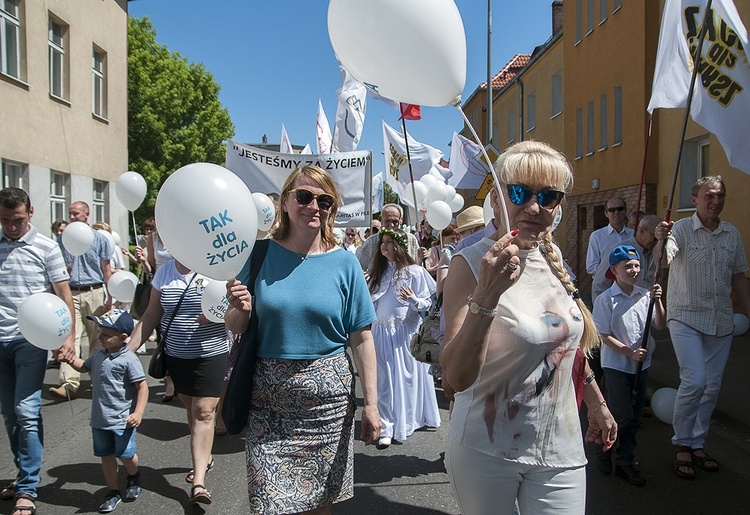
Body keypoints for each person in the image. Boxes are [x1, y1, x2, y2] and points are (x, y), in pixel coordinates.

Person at [440, 141, 617, 514]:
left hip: (560, 445)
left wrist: (598, 404)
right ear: (496, 199)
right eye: (519, 193)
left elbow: (565, 347)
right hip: (486, 447)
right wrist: (486, 295)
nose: (534, 208)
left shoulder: (555, 262)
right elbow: (455, 376)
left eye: (549, 196)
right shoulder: (470, 263)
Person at [225, 165, 380, 514]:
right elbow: (235, 324)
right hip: (269, 405)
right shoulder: (258, 253)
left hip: (327, 409)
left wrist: (371, 403)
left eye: (325, 201)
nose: (314, 206)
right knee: (269, 504)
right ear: (284, 202)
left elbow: (362, 336)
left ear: (332, 210)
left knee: (317, 505)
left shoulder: (345, 263)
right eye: (305, 196)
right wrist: (241, 309)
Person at [654, 175, 750, 480]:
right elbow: (661, 262)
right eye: (709, 195)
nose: (715, 201)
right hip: (685, 316)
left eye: (720, 195)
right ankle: (681, 441)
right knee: (694, 380)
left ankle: (697, 442)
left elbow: (739, 278)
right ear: (695, 199)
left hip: (720, 319)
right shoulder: (680, 229)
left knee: (711, 387)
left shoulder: (731, 234)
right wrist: (659, 238)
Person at [0, 187, 76, 515]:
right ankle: (22, 474)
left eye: (16, 220)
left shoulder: (47, 247)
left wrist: (68, 338)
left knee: (27, 412)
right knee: (9, 414)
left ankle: (28, 488)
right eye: (4, 221)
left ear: (30, 213)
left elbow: (63, 293)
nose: (11, 227)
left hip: (30, 341)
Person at [128, 259, 229, 504]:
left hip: (212, 354)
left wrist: (219, 315)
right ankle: (205, 457)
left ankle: (199, 482)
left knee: (204, 412)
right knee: (190, 407)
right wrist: (126, 351)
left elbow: (237, 308)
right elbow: (152, 313)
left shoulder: (219, 266)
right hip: (177, 355)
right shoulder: (164, 271)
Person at [61, 309, 147, 513]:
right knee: (106, 455)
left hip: (122, 420)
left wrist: (138, 413)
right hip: (99, 420)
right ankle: (113, 490)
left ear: (123, 337)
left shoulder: (129, 359)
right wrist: (70, 359)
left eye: (106, 335)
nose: (99, 337)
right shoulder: (98, 354)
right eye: (99, 332)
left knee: (125, 455)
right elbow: (84, 367)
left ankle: (134, 476)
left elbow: (142, 387)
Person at [593, 245, 666, 486]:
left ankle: (625, 460)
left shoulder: (645, 296)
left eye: (636, 266)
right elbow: (604, 335)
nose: (634, 270)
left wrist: (658, 302)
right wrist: (630, 352)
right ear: (614, 270)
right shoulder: (607, 300)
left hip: (640, 367)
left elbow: (659, 325)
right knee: (621, 415)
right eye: (627, 266)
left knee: (634, 417)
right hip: (617, 366)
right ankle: (604, 450)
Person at [368, 228, 440, 448]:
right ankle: (387, 426)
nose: (384, 245)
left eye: (389, 242)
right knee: (384, 380)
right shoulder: (377, 272)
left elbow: (428, 303)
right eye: (383, 242)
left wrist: (414, 300)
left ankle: (409, 418)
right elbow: (373, 302)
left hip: (404, 333)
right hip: (381, 332)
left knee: (407, 379)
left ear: (398, 246)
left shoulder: (415, 272)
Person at [52, 201, 112, 399]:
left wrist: (110, 296)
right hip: (71, 292)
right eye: (69, 214)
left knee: (97, 337)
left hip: (93, 291)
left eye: (75, 214)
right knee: (71, 335)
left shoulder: (99, 239)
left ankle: (97, 378)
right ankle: (69, 382)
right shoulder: (62, 240)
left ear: (86, 215)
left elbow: (106, 270)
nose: (71, 217)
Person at [591, 214, 661, 303]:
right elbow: (599, 285)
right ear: (642, 231)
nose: (657, 241)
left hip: (646, 310)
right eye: (654, 237)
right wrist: (603, 310)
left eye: (660, 239)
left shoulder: (657, 254)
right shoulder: (618, 251)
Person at [356, 204, 420, 269]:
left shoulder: (411, 239)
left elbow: (418, 266)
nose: (391, 225)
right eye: (387, 221)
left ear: (401, 220)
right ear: (381, 220)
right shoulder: (371, 242)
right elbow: (358, 268)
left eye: (395, 221)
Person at [585, 197, 633, 276]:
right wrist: (614, 272)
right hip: (605, 285)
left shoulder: (633, 235)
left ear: (625, 211)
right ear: (606, 213)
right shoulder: (597, 236)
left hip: (628, 284)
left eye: (620, 209)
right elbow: (591, 267)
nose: (616, 212)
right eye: (612, 210)